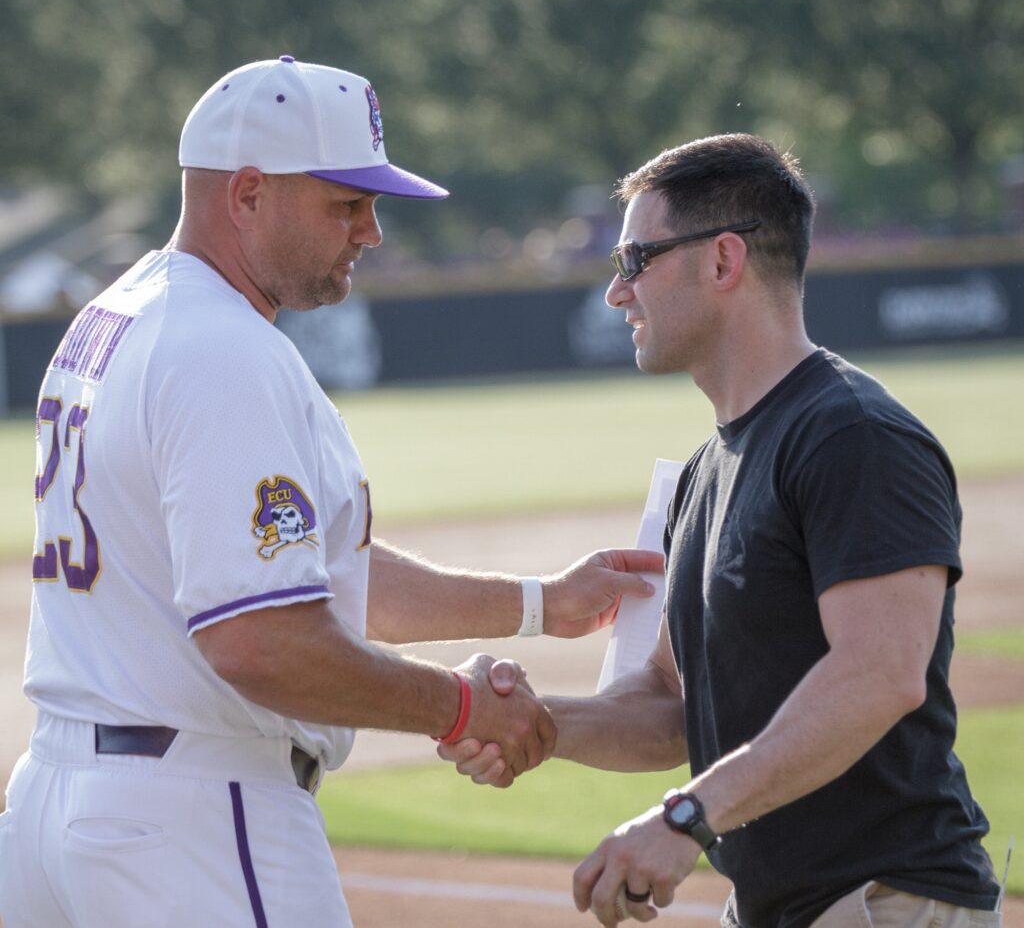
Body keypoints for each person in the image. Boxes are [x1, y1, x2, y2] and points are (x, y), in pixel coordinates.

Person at [0, 57, 661, 928]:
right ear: (246, 194)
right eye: (346, 204)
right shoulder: (222, 350)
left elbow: (308, 571)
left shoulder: (119, 315)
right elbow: (262, 640)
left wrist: (540, 603)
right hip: (193, 819)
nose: (372, 232)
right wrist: (457, 705)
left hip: (64, 808)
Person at [442, 133, 1003, 928]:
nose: (617, 293)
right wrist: (533, 722)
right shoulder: (707, 470)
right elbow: (676, 702)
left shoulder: (852, 433)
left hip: (885, 902)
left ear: (722, 260)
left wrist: (684, 817)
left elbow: (881, 673)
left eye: (635, 259)